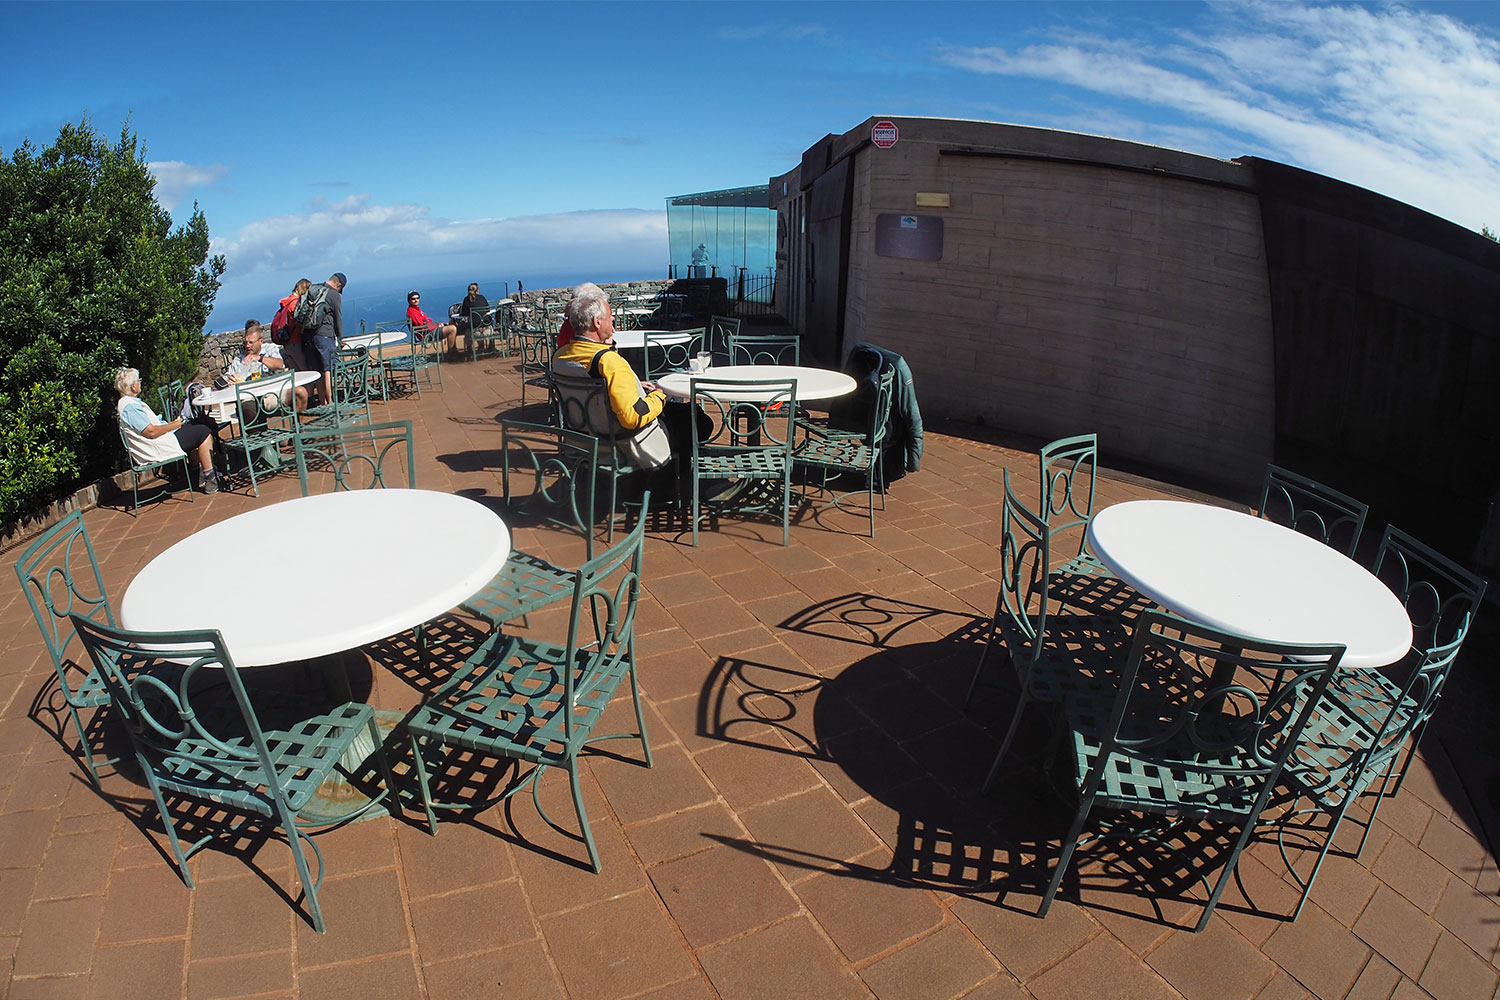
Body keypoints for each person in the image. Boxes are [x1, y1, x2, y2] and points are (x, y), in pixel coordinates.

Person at [553, 283, 720, 495]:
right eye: (610, 317)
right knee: (697, 419)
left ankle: (666, 480)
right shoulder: (608, 361)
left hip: (587, 437)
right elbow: (632, 417)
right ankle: (670, 485)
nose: (613, 322)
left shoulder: (561, 356)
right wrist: (659, 396)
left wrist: (634, 383)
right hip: (626, 441)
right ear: (597, 322)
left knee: (682, 414)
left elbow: (598, 385)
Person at [115, 367, 219, 494]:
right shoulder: (130, 407)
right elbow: (151, 432)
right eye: (138, 380)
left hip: (162, 439)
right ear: (132, 386)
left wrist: (172, 425)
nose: (140, 382)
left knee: (194, 426)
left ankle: (198, 474)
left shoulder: (128, 403)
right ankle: (210, 479)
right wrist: (173, 426)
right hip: (158, 445)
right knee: (203, 432)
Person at [226, 320, 308, 412]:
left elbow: (280, 364)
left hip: (274, 392)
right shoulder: (240, 359)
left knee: (301, 392)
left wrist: (260, 358)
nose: (247, 346)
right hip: (250, 395)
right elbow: (228, 376)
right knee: (247, 409)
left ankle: (298, 421)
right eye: (246, 342)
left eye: (251, 342)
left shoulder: (270, 348)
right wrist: (229, 380)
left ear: (261, 341)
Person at [307, 272, 346, 408]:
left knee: (318, 371)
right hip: (325, 335)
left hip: (309, 335)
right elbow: (338, 318)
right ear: (338, 285)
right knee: (328, 369)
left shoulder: (315, 289)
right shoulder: (334, 295)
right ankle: (330, 403)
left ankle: (322, 402)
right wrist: (340, 338)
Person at [405, 290, 458, 356]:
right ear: (409, 300)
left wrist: (438, 325)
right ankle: (452, 354)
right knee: (452, 329)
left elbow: (425, 322)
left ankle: (454, 350)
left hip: (429, 331)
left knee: (452, 325)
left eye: (417, 298)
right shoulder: (412, 312)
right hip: (426, 335)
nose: (416, 300)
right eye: (413, 299)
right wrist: (436, 326)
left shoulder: (416, 309)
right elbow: (422, 326)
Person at [278, 277, 312, 371]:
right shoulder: (295, 304)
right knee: (306, 372)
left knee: (296, 374)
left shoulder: (287, 302)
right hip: (295, 342)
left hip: (288, 343)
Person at [455, 282, 489, 353]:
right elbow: (487, 309)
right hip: (487, 330)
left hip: (475, 332)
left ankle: (469, 350)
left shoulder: (466, 300)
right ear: (477, 290)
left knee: (468, 329)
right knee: (479, 323)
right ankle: (482, 347)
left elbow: (463, 313)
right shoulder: (482, 298)